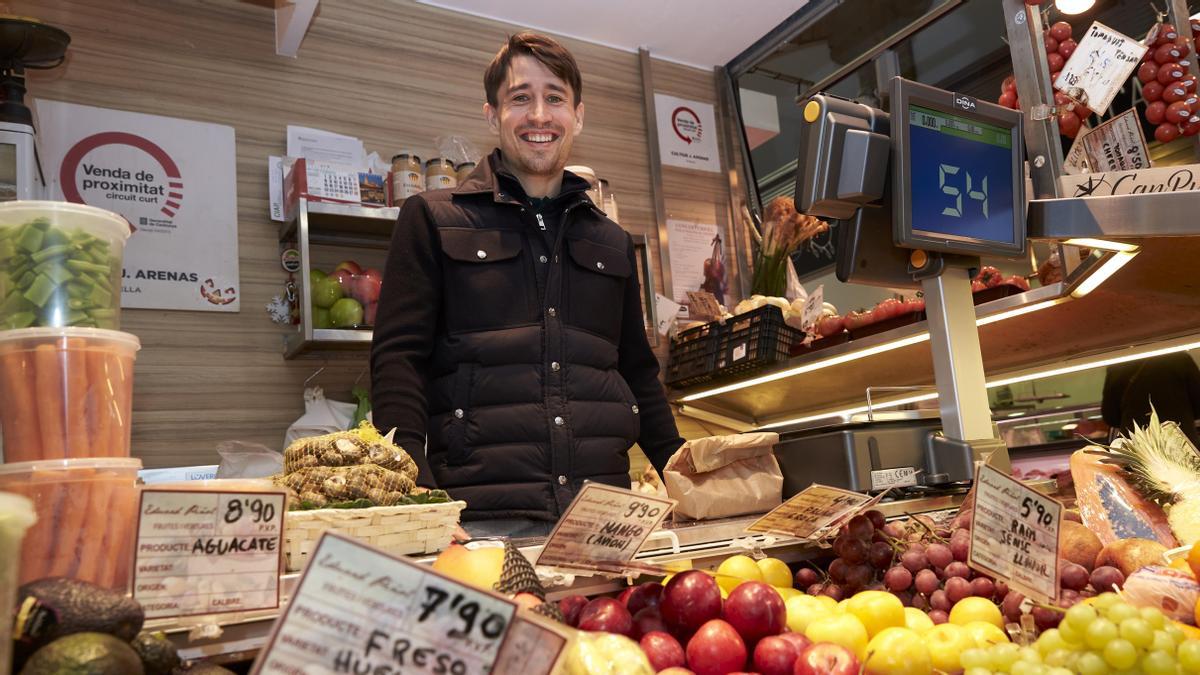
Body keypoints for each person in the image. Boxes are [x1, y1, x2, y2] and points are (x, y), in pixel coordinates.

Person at [370, 32, 684, 538]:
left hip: (604, 515)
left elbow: (638, 372)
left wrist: (681, 473)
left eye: (554, 98)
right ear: (493, 115)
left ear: (577, 115)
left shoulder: (613, 242)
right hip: (480, 518)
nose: (539, 115)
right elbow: (398, 360)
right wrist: (417, 492)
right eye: (521, 98)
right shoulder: (433, 218)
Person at [1102, 353, 1200, 448]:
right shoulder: (1180, 358)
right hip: (1182, 443)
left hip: (1137, 447)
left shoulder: (1117, 366)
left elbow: (1111, 417)